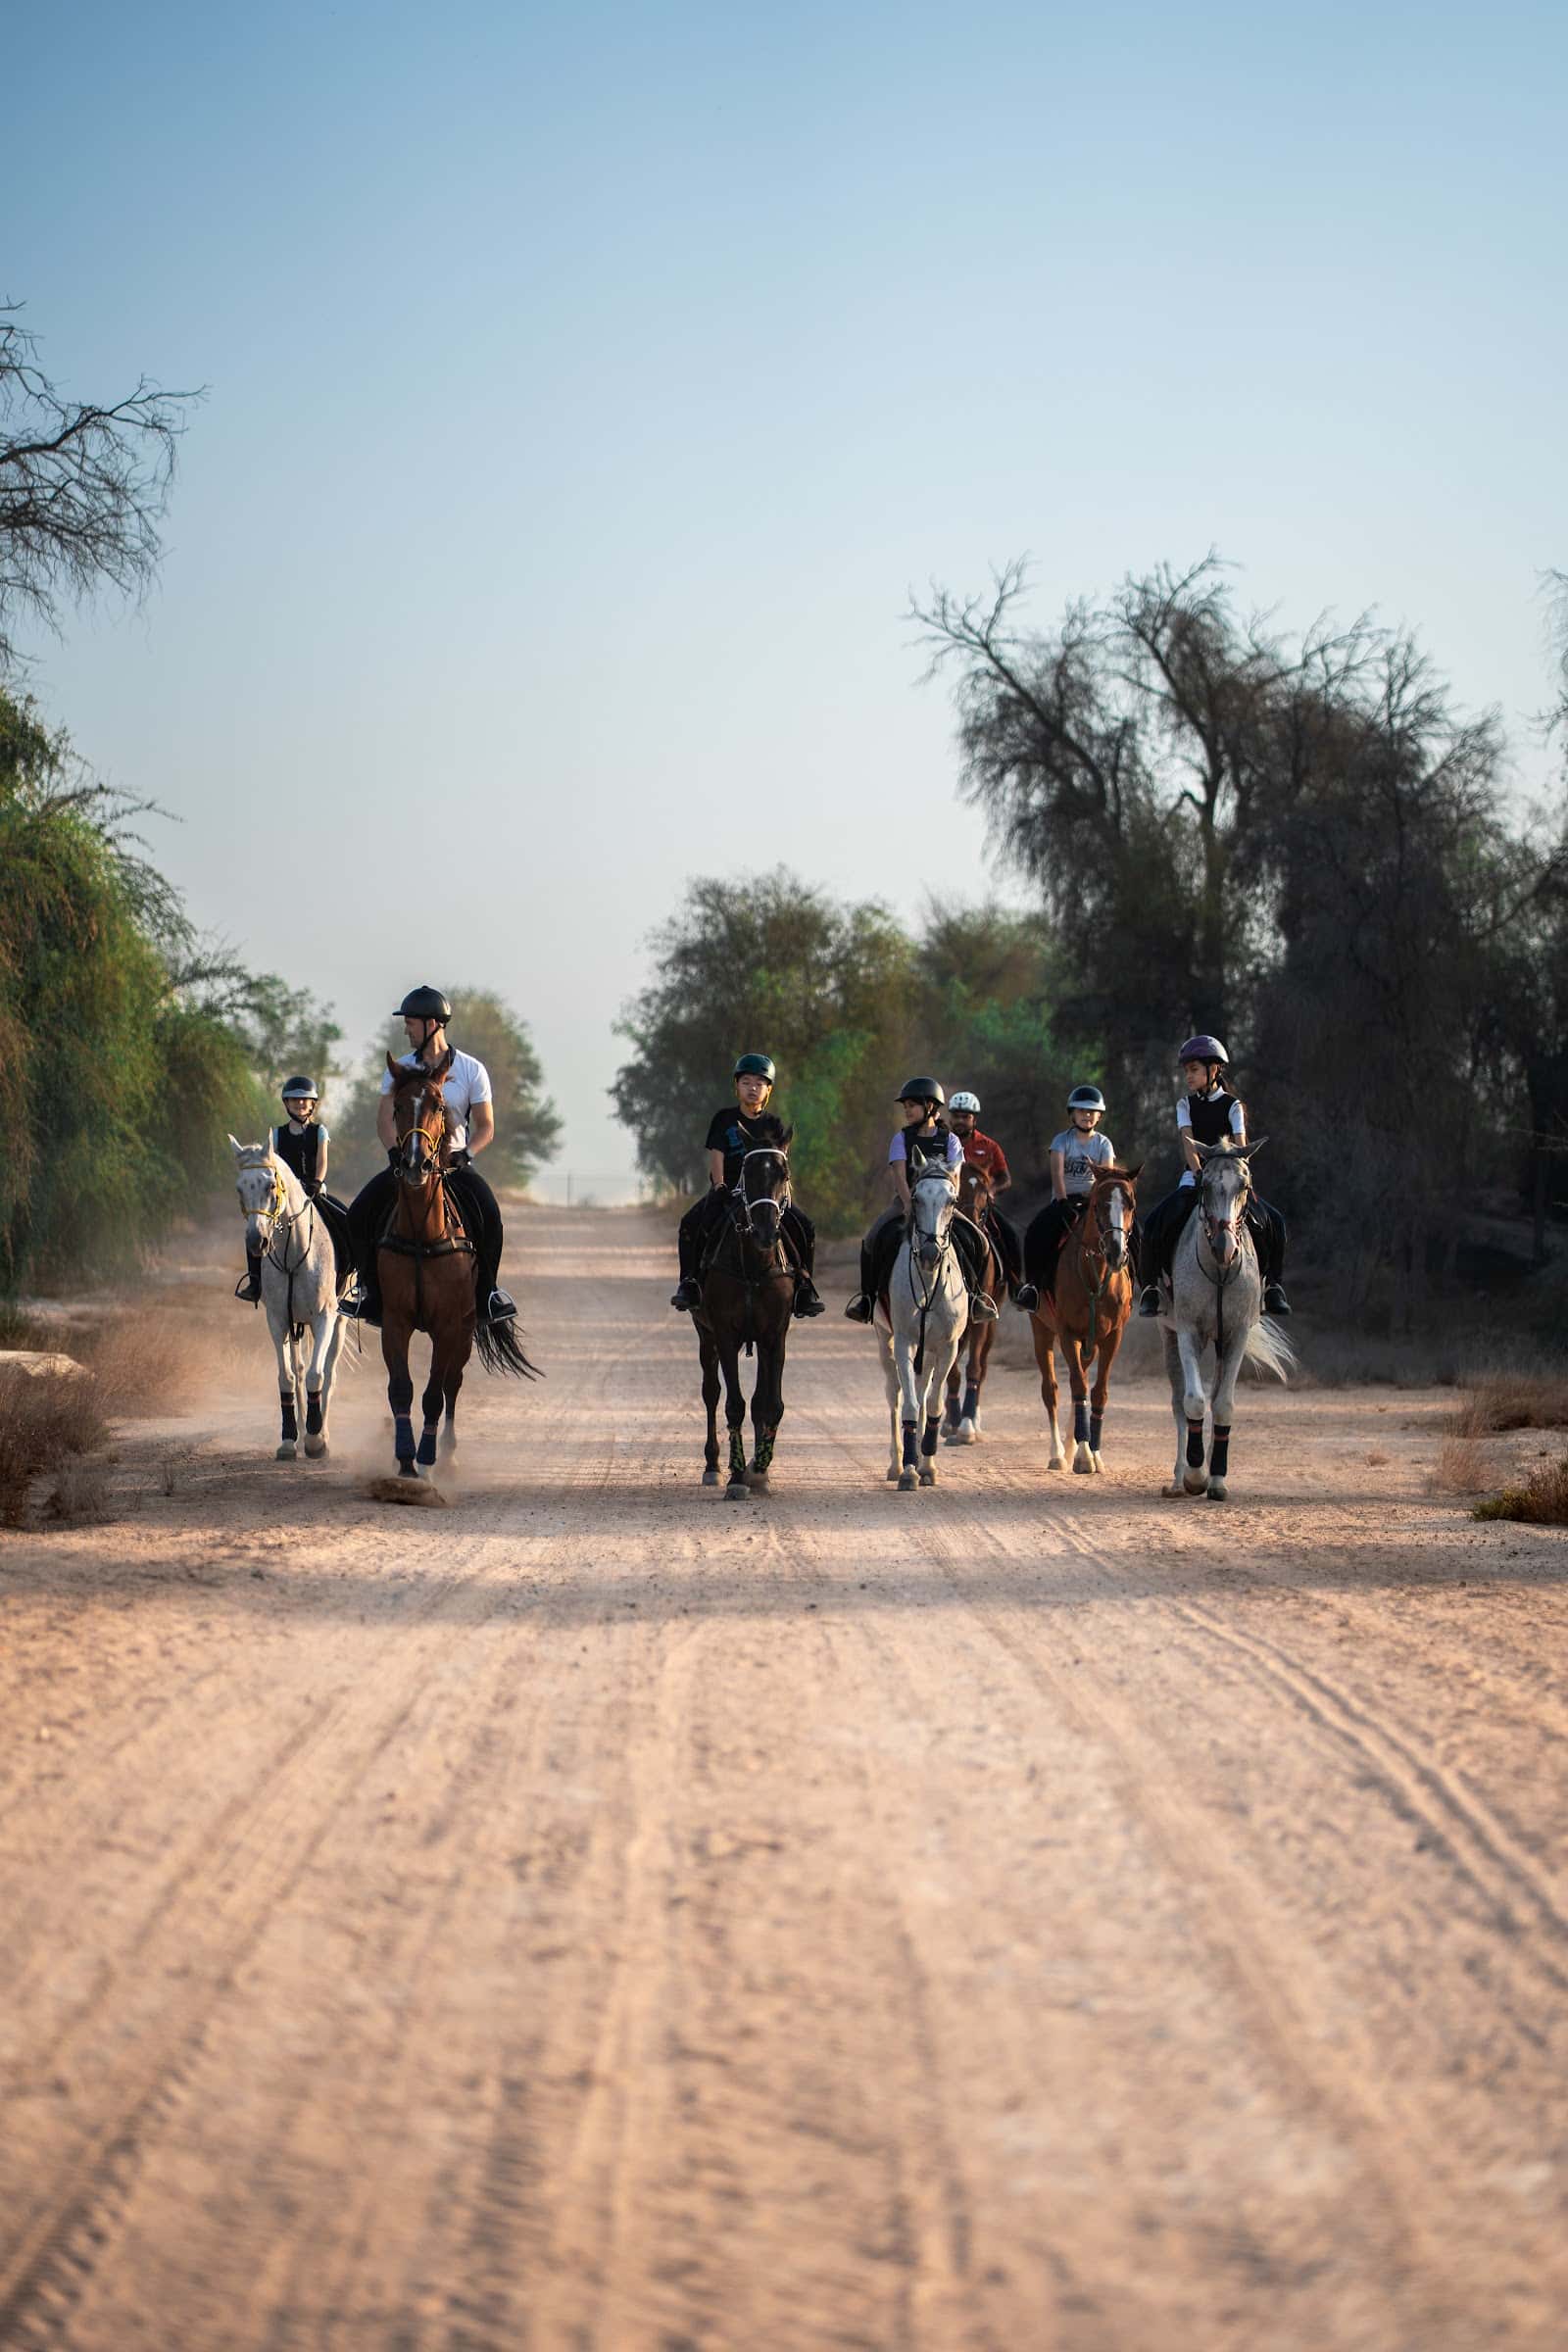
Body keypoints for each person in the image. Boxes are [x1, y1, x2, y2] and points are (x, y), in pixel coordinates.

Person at [341, 986, 516, 1328]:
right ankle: (367, 1290)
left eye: (411, 1023)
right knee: (358, 1214)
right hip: (406, 1162)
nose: (406, 1030)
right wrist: (394, 1152)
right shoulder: (399, 1069)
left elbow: (486, 1127)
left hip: (452, 1164)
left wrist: (466, 1154)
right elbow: (383, 1119)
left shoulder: (471, 1070)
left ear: (433, 1024)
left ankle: (488, 1294)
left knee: (491, 1217)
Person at [1137, 1036, 1291, 1316]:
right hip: (1194, 1178)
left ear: (1214, 1070)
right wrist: (1199, 1175)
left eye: (1193, 1069)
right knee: (1155, 1222)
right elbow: (1188, 1144)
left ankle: (1273, 1288)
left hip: (1228, 1181)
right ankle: (1151, 1290)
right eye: (1186, 1071)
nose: (1188, 1076)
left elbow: (1241, 1146)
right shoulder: (1185, 1104)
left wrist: (1234, 1174)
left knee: (1275, 1222)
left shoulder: (1233, 1105)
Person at [669, 1054, 823, 1317]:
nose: (752, 1088)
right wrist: (719, 1186)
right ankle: (690, 1282)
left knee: (804, 1226)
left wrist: (780, 1195)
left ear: (768, 1090)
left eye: (759, 1083)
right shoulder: (724, 1119)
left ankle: (804, 1286)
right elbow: (716, 1155)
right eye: (746, 1082)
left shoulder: (773, 1125)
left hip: (765, 1196)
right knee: (690, 1224)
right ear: (736, 1087)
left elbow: (780, 1164)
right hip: (729, 1191)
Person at [844, 1080, 1000, 1324]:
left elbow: (955, 1178)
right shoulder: (901, 1139)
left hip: (943, 1206)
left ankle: (976, 1298)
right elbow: (898, 1174)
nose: (907, 1110)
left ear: (929, 1106)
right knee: (872, 1239)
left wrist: (949, 1205)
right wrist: (907, 1204)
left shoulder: (950, 1141)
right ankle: (868, 1299)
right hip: (906, 1202)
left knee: (980, 1242)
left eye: (912, 1105)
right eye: (905, 1106)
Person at [235, 1077, 352, 1302]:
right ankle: (255, 1281)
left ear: (312, 1104)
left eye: (304, 1100)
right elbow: (273, 1166)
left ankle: (352, 1277)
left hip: (315, 1193)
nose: (300, 1104)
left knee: (347, 1221)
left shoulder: (320, 1131)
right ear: (286, 1104)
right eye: (295, 1100)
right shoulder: (277, 1135)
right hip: (286, 1198)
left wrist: (317, 1182)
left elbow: (322, 1161)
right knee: (254, 1230)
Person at [1024, 1086, 1124, 1301]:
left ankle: (1139, 1282)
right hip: (1064, 1201)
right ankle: (1033, 1286)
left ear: (1099, 1116)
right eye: (1081, 1111)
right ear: (1072, 1114)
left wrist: (1095, 1203)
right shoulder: (1061, 1141)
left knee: (1126, 1231)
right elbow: (1057, 1174)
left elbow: (1105, 1180)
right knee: (1036, 1232)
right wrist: (1062, 1202)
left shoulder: (1104, 1144)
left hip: (1094, 1203)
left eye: (1091, 1112)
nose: (1086, 1115)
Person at [947, 1090, 1038, 1310]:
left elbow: (1005, 1178)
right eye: (956, 1116)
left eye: (965, 1117)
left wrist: (991, 1191)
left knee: (1010, 1236)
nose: (960, 1121)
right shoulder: (942, 1143)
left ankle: (1016, 1286)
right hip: (948, 1208)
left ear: (974, 1119)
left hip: (980, 1209)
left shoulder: (989, 1146)